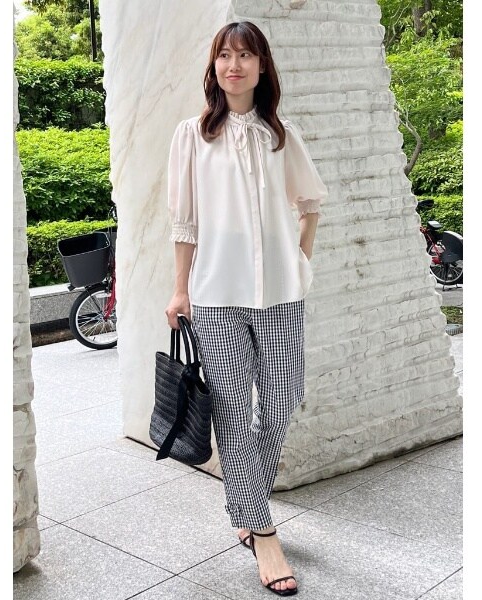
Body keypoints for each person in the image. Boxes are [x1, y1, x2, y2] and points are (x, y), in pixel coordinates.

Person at [165, 20, 328, 597]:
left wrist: (300, 260)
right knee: (235, 410)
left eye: (245, 55)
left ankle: (244, 500)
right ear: (214, 67)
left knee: (281, 401)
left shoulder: (281, 135)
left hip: (281, 292)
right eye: (224, 56)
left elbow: (310, 202)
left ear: (262, 66)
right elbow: (184, 223)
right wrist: (180, 289)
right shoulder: (192, 135)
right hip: (216, 294)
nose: (233, 66)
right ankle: (262, 530)